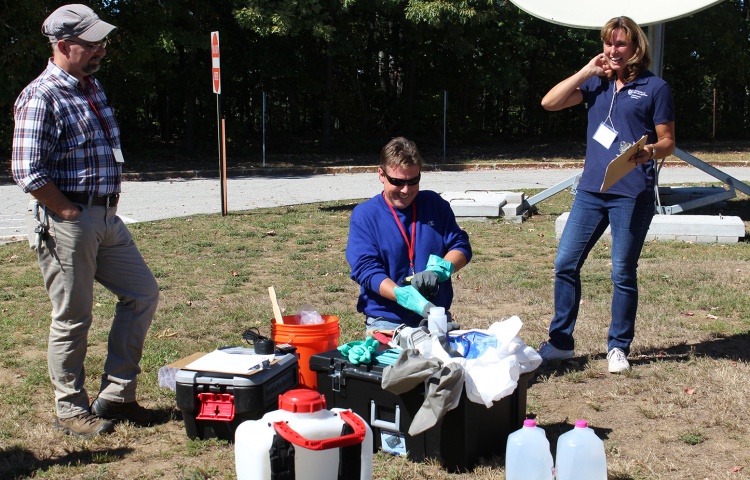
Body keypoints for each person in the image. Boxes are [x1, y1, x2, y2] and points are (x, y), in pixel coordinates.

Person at [12, 4, 159, 437]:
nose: (101, 50)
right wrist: (68, 212)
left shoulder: (89, 87)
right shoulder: (42, 95)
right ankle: (71, 409)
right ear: (63, 45)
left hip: (107, 216)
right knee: (74, 316)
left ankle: (116, 395)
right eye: (91, 43)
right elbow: (27, 170)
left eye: (103, 42)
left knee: (142, 294)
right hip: (69, 218)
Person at [539, 16, 675, 373]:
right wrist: (587, 70)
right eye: (608, 43)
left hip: (631, 193)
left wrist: (649, 153)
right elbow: (549, 103)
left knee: (622, 271)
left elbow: (668, 143)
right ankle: (560, 343)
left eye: (621, 44)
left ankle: (618, 348)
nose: (613, 50)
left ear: (636, 48)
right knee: (565, 264)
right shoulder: (596, 84)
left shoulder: (655, 88)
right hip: (591, 191)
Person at [346, 137, 472, 332]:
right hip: (387, 321)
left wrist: (441, 269)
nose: (406, 190)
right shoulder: (365, 215)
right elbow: (366, 270)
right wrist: (402, 295)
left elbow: (460, 246)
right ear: (381, 174)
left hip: (435, 316)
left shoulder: (434, 204)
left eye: (413, 181)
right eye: (397, 182)